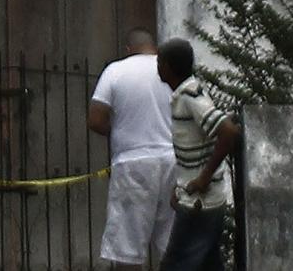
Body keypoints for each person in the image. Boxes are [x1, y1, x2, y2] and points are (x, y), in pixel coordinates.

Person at [88, 27, 175, 270]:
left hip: (132, 164)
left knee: (127, 249)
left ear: (128, 49)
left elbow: (95, 119)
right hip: (173, 162)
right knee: (173, 244)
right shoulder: (173, 71)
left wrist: (119, 130)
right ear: (155, 48)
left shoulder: (116, 71)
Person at [158, 38, 240, 271]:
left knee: (175, 264)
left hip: (199, 203)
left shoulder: (190, 97)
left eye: (159, 62)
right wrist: (181, 187)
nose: (157, 67)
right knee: (207, 264)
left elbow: (228, 131)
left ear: (169, 67)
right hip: (198, 198)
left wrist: (203, 178)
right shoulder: (186, 94)